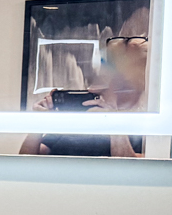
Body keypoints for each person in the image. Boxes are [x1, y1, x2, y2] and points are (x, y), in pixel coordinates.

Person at [19, 10, 149, 157]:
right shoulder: (78, 117)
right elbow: (26, 160)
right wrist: (38, 124)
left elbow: (135, 173)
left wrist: (115, 126)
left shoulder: (148, 124)